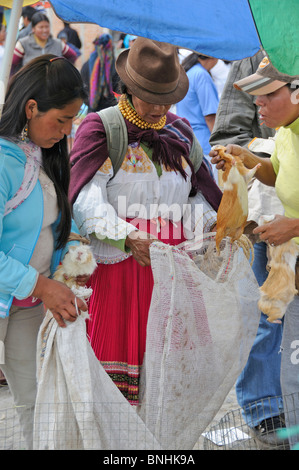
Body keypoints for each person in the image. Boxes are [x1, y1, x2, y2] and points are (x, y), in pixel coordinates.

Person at [69, 37, 222, 405]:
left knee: (169, 387)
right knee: (116, 393)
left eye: (166, 97)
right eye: (150, 96)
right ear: (128, 89)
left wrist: (203, 231)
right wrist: (128, 236)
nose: (159, 107)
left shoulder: (181, 134)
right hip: (119, 271)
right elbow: (86, 199)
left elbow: (200, 194)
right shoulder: (101, 129)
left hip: (173, 274)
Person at [0, 54, 88, 449]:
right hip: (25, 289)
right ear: (31, 108)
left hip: (28, 300)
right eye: (62, 120)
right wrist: (41, 285)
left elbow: (56, 224)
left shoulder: (45, 155)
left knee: (35, 398)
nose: (67, 131)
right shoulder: (3, 163)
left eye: (73, 120)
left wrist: (68, 265)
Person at [210, 56, 299, 448]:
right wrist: (247, 159)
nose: (258, 106)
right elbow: (278, 175)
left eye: (267, 96)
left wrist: (294, 226)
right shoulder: (285, 133)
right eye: (256, 98)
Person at [176, 52, 219, 183]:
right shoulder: (201, 75)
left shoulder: (190, 72)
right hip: (204, 147)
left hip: (187, 142)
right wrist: (219, 144)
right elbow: (210, 116)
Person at [12, 12, 77, 70]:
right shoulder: (23, 43)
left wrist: (64, 70)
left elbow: (72, 56)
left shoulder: (58, 43)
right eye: (41, 27)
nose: (45, 30)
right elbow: (11, 64)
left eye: (47, 27)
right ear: (33, 29)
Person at [80, 34, 118, 113]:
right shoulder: (116, 67)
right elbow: (117, 92)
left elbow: (83, 91)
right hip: (110, 113)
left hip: (92, 112)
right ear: (110, 47)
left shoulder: (86, 65)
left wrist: (91, 101)